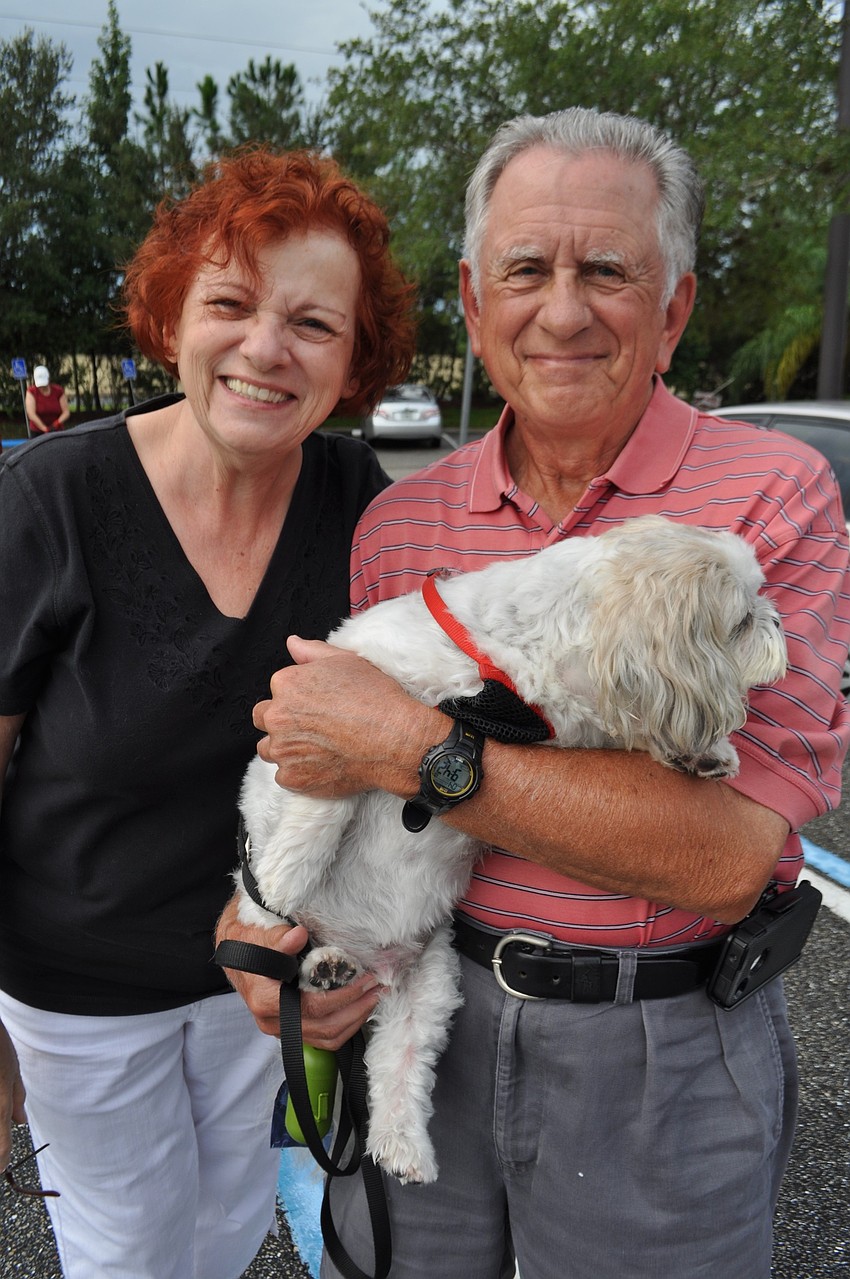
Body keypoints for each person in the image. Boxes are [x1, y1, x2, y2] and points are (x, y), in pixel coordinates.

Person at [217, 109, 850, 1279]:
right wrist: (259, 924)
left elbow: (725, 856)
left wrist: (421, 750)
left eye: (605, 270)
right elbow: (330, 776)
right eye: (523, 270)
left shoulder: (772, 499)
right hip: (430, 1004)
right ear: (473, 301)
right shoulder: (401, 521)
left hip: (661, 1047)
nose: (561, 313)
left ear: (674, 309)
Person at [0, 147, 415, 1279]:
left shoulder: (362, 506)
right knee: (127, 1250)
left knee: (227, 1233)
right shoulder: (55, 499)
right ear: (173, 316)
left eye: (313, 324)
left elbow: (396, 747)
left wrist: (349, 954)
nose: (265, 348)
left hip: (261, 977)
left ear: (354, 358)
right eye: (229, 303)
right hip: (79, 988)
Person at [25, 365, 71, 434]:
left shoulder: (58, 391)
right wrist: (44, 428)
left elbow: (66, 412)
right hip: (37, 431)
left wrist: (56, 423)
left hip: (57, 430)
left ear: (48, 379)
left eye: (44, 384)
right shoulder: (31, 392)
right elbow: (31, 414)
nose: (42, 387)